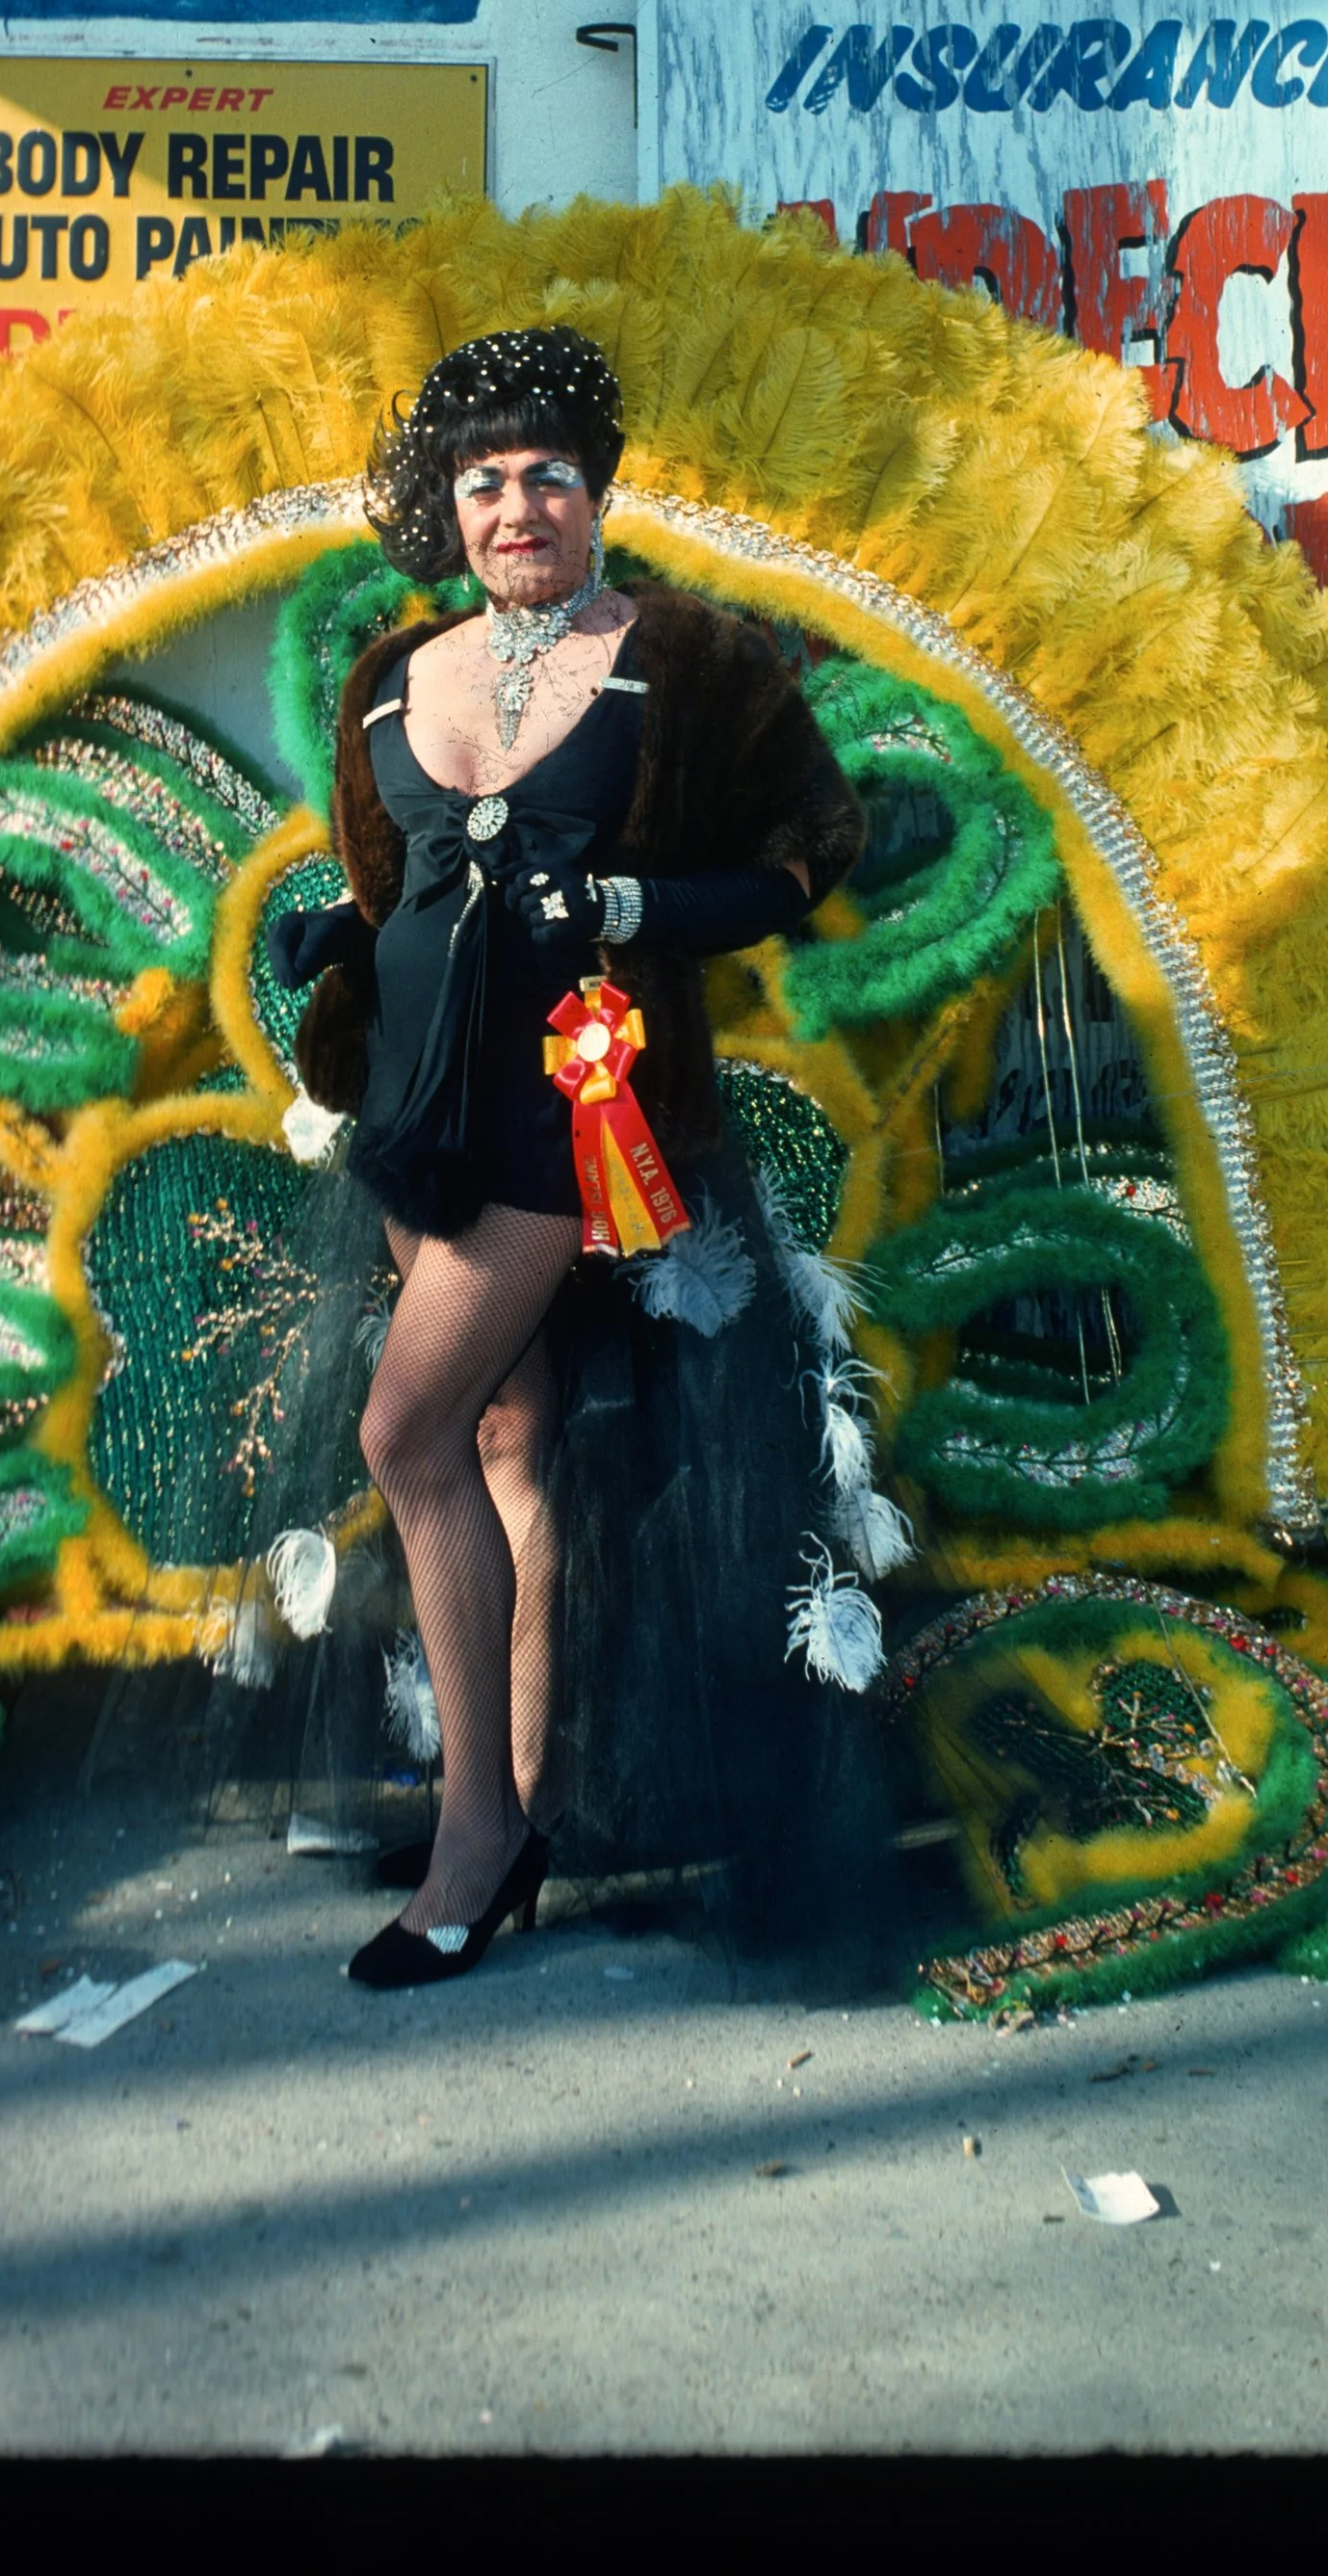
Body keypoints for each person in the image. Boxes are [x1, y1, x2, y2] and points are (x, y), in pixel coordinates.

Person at [267, 326, 873, 1988]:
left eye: (546, 476)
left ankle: (474, 1842)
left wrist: (633, 909)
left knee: (408, 1432)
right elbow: (393, 874)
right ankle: (517, 1787)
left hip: (570, 1117)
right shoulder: (390, 673)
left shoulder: (691, 661)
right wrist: (345, 930)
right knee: (509, 1446)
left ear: (597, 492)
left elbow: (811, 857)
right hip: (410, 1104)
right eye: (483, 482)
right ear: (448, 513)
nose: (516, 505)